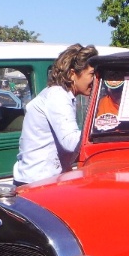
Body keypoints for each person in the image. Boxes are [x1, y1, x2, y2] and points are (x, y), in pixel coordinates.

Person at [12, 44, 97, 185]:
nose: (95, 80)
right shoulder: (58, 96)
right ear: (72, 74)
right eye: (92, 74)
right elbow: (70, 142)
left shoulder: (60, 95)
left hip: (40, 179)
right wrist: (101, 130)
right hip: (38, 182)